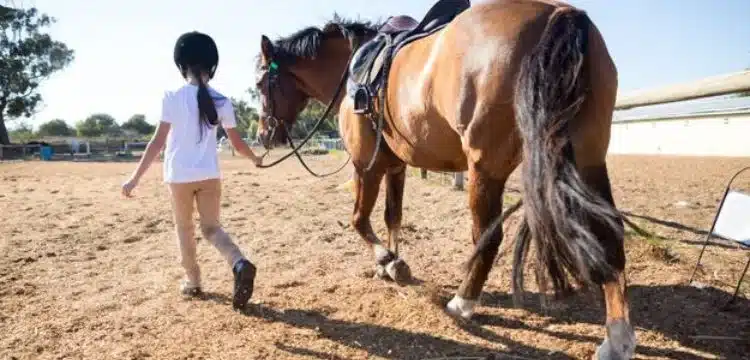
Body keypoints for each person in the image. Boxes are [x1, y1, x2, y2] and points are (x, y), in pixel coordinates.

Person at [121, 31, 263, 310]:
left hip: (179, 177)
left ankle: (193, 281)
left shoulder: (172, 97)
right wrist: (255, 159)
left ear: (181, 65)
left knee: (184, 229)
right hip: (210, 175)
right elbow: (237, 143)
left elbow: (157, 142)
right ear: (212, 66)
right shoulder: (222, 101)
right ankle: (239, 262)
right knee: (212, 229)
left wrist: (134, 179)